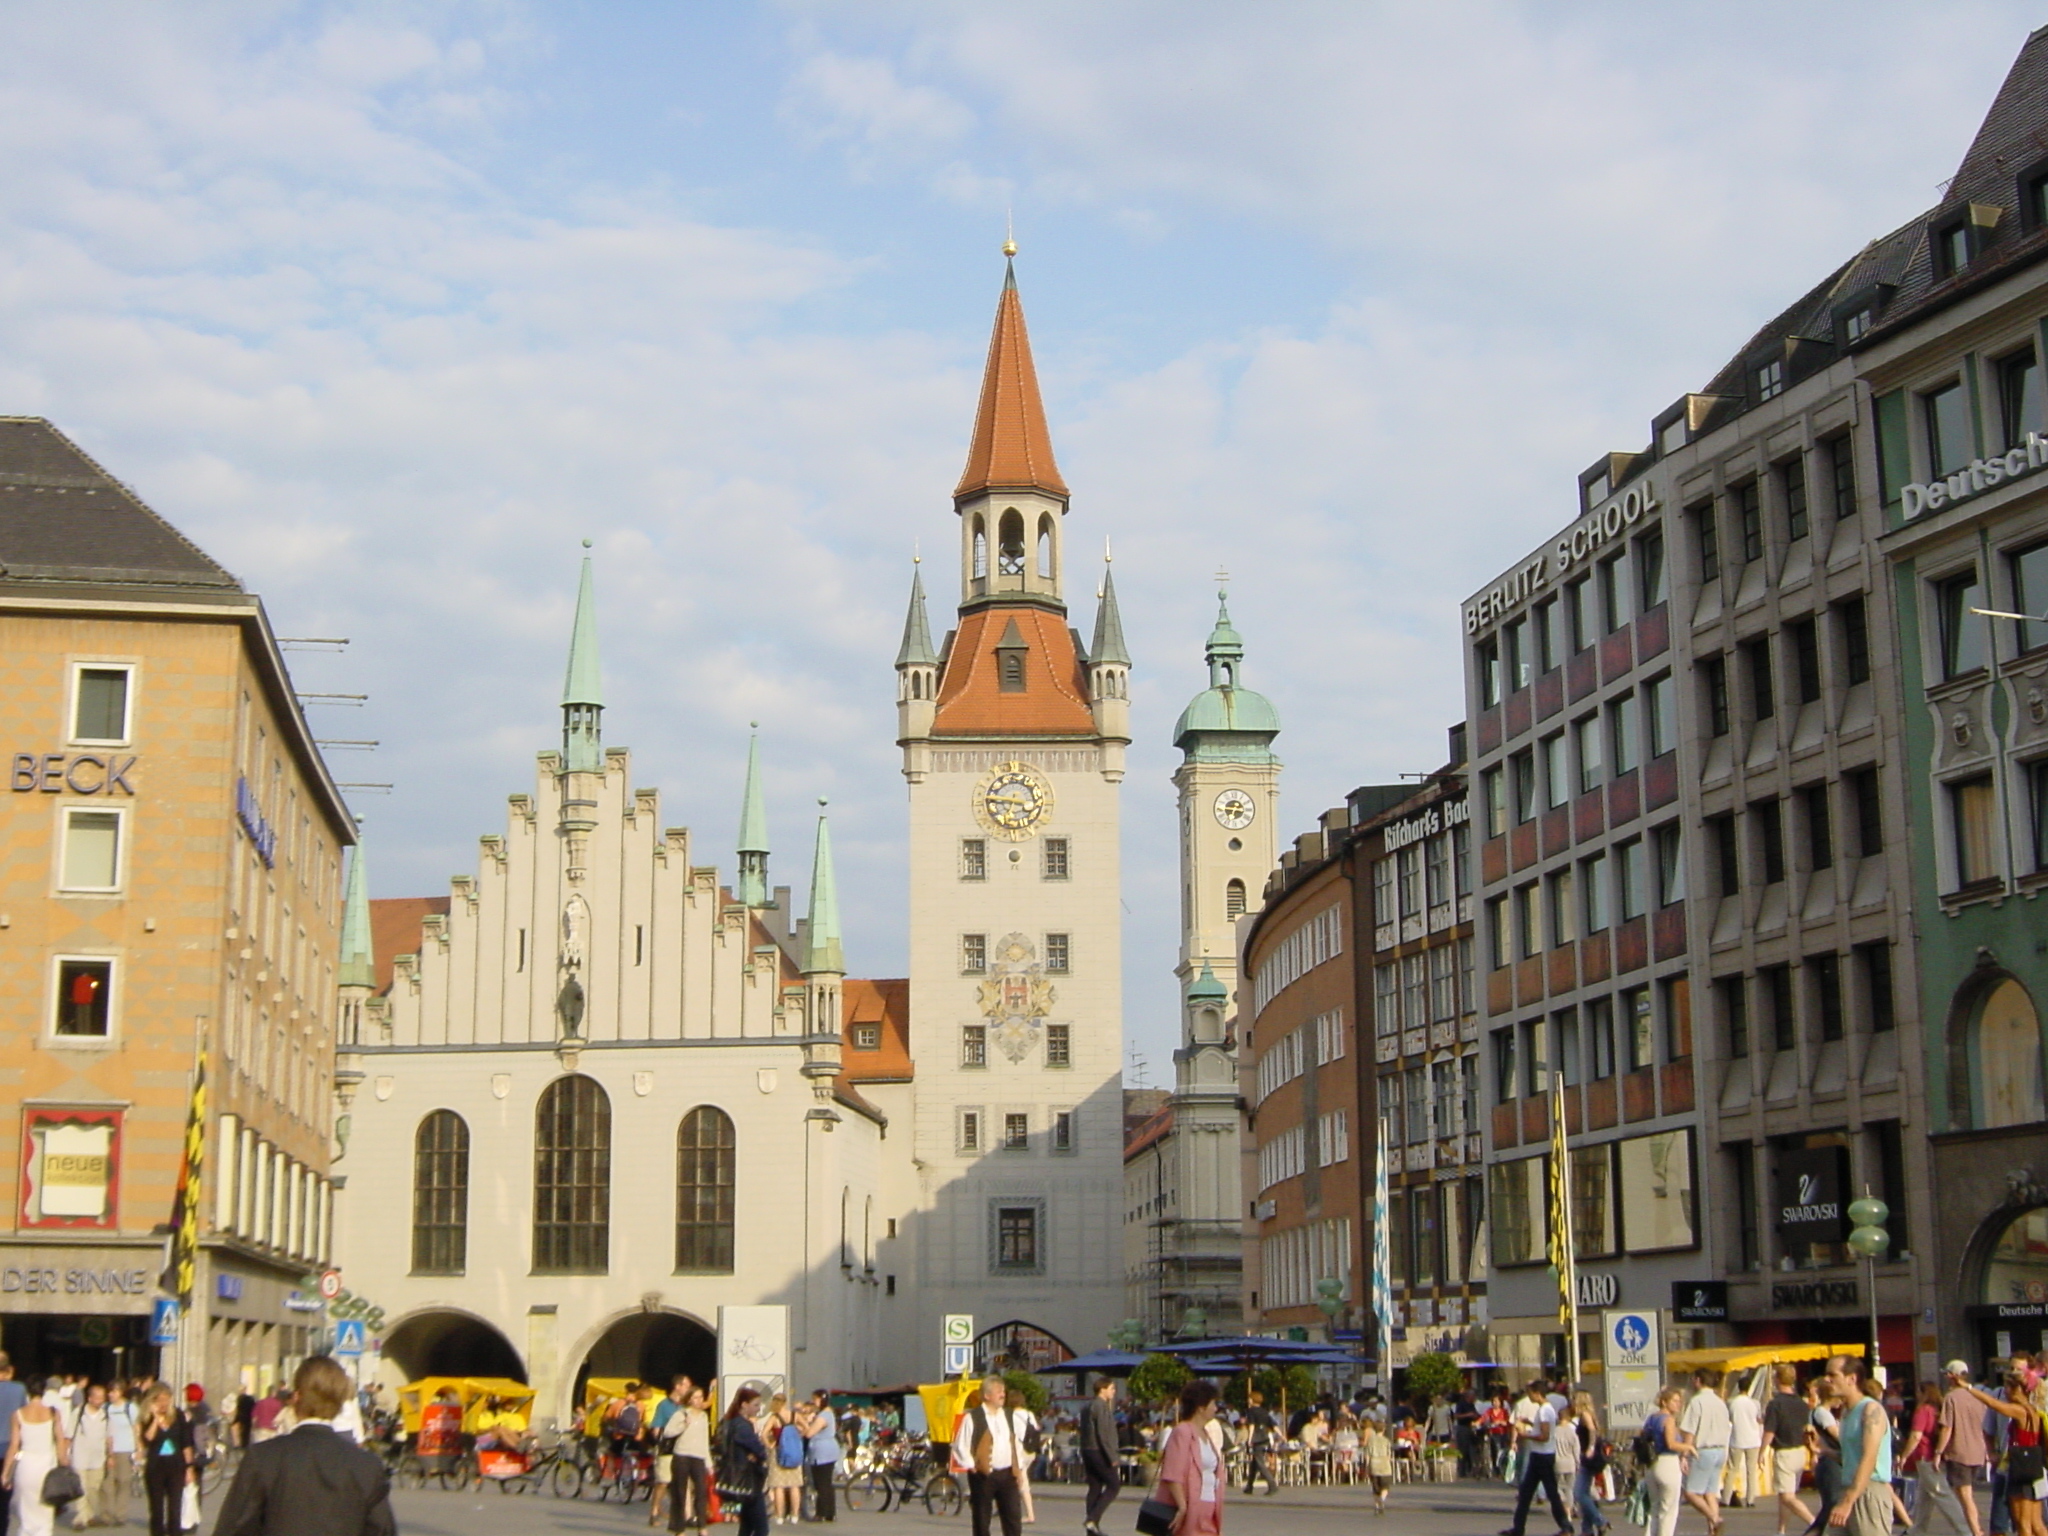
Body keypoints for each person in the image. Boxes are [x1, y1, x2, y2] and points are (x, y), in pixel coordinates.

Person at [212, 1356, 394, 1536]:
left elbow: (234, 1526)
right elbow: (382, 1529)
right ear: (340, 1402)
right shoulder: (366, 1466)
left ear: (297, 1397)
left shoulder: (264, 1457)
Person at [1950, 1364, 2046, 1536]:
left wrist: (1968, 1387)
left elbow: (1992, 1403)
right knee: (2036, 1523)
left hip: (2021, 1471)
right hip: (2035, 1470)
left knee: (2023, 1523)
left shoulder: (2020, 1411)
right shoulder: (2034, 1411)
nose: (2005, 1392)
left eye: (2008, 1387)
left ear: (2018, 1390)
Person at [1822, 1356, 1896, 1536]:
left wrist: (1848, 1501)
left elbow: (1869, 1457)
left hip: (1868, 1491)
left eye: (1833, 1375)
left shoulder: (1870, 1410)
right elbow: (1851, 1457)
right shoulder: (1847, 1412)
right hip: (1848, 1488)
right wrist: (1823, 1450)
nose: (1827, 1380)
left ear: (1852, 1378)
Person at [951, 1376, 1033, 1536]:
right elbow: (960, 1445)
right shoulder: (973, 1417)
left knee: (1013, 1519)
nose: (1003, 1395)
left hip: (1007, 1474)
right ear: (987, 1395)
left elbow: (1015, 1443)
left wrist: (1019, 1469)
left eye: (1003, 1391)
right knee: (982, 1520)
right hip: (983, 1476)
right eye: (999, 1392)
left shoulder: (1009, 1415)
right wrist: (972, 1465)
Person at [1499, 1378, 1572, 1536]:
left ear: (1537, 1394)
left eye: (1531, 1393)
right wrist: (1530, 1423)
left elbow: (1544, 1435)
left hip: (1543, 1456)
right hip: (1539, 1455)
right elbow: (1542, 1428)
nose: (1529, 1397)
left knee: (1550, 1494)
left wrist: (1526, 1434)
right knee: (1526, 1494)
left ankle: (1566, 1527)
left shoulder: (1545, 1410)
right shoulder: (1544, 1410)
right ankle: (1518, 1528)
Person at [5, 1376, 72, 1536]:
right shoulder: (53, 1412)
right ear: (44, 1392)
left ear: (27, 1391)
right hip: (47, 1465)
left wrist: (6, 1472)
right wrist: (64, 1462)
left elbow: (14, 1445)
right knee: (46, 1514)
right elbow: (60, 1440)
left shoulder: (18, 1414)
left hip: (27, 1465)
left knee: (26, 1513)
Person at [1156, 1382, 1224, 1536]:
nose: (1215, 1408)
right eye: (1213, 1403)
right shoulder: (1183, 1431)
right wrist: (1182, 1506)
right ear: (1201, 1407)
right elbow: (1173, 1473)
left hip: (1210, 1504)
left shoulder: (1205, 1433)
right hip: (1192, 1504)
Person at [1938, 1363, 1993, 1536]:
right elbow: (1986, 1425)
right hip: (1977, 1451)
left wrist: (1938, 1452)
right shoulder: (1978, 1396)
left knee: (1965, 1496)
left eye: (1947, 1374)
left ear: (1953, 1376)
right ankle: (1975, 1528)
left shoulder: (1951, 1397)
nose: (1945, 1377)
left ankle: (1976, 1531)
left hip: (1959, 1452)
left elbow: (1947, 1428)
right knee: (1968, 1494)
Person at [1766, 1365, 1819, 1536]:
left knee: (1788, 1497)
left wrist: (1761, 1451)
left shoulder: (1775, 1404)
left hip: (1784, 1451)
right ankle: (1781, 1530)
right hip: (1799, 1450)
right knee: (1785, 1496)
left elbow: (1770, 1431)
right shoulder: (1801, 1403)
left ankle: (1815, 1524)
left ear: (1777, 1380)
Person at [1683, 1370, 1734, 1536]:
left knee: (1691, 1492)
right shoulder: (1720, 1402)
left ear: (1698, 1380)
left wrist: (1684, 1454)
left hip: (1703, 1450)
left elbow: (1690, 1429)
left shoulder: (1696, 1401)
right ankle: (1713, 1530)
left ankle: (1714, 1518)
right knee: (1710, 1492)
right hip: (1720, 1449)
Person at [137, 1385, 191, 1536]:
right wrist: (155, 1419)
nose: (164, 1404)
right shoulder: (147, 1418)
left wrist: (189, 1468)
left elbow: (186, 1442)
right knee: (156, 1509)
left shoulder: (178, 1415)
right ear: (152, 1401)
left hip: (176, 1466)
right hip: (156, 1467)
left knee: (175, 1508)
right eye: (160, 1400)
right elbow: (147, 1439)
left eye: (167, 1400)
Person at [717, 1388, 770, 1536]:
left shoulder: (726, 1422)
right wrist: (758, 1454)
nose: (758, 1409)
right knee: (761, 1528)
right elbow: (759, 1450)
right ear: (744, 1404)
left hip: (731, 1479)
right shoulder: (742, 1425)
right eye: (755, 1405)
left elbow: (719, 1447)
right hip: (747, 1479)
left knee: (746, 1525)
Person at [667, 1384, 712, 1534]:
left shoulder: (704, 1416)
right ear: (690, 1399)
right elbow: (668, 1432)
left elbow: (705, 1439)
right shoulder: (681, 1414)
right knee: (680, 1492)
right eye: (696, 1397)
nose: (699, 1400)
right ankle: (679, 1528)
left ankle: (702, 1527)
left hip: (698, 1456)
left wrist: (709, 1462)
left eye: (701, 1397)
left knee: (701, 1492)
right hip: (682, 1455)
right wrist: (683, 1425)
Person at [1644, 1385, 1689, 1536]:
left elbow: (1642, 1436)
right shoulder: (1668, 1420)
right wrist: (1688, 1447)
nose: (1678, 1404)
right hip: (1668, 1462)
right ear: (1664, 1402)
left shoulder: (1652, 1418)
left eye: (1679, 1401)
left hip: (1652, 1464)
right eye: (1674, 1401)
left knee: (1655, 1508)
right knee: (1668, 1510)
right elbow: (1671, 1443)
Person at [1079, 1377, 1120, 1536]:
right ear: (1102, 1389)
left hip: (1087, 1448)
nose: (1113, 1392)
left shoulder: (1087, 1406)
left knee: (1095, 1486)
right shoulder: (1101, 1406)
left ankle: (1092, 1529)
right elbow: (1103, 1434)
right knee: (1114, 1485)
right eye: (1111, 1388)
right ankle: (1092, 1518)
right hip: (1098, 1450)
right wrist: (1112, 1456)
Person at [650, 1377, 691, 1530]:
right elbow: (656, 1427)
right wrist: (660, 1440)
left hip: (684, 1447)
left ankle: (686, 1515)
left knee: (685, 1482)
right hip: (668, 1448)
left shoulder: (686, 1406)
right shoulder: (664, 1405)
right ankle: (654, 1511)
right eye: (686, 1385)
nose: (689, 1388)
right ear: (677, 1386)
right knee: (663, 1481)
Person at [68, 1383, 108, 1533]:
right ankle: (80, 1519)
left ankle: (89, 1515)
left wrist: (110, 1456)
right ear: (89, 1398)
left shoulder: (105, 1414)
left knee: (93, 1489)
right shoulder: (78, 1413)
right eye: (97, 1397)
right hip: (79, 1456)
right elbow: (68, 1435)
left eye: (102, 1397)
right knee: (81, 1488)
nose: (100, 1400)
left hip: (98, 1457)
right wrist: (64, 1455)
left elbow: (109, 1437)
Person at [1569, 1391, 1611, 1536]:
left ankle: (1600, 1520)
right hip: (1587, 1457)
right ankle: (1587, 1529)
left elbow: (1592, 1431)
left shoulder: (1585, 1415)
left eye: (1574, 1399)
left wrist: (1590, 1448)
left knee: (1579, 1493)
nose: (1572, 1402)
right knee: (1585, 1492)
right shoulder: (1585, 1415)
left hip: (1589, 1457)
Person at [804, 1391, 842, 1523]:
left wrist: (805, 1424)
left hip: (822, 1452)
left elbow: (809, 1433)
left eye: (815, 1399)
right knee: (827, 1483)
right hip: (828, 1450)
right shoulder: (828, 1413)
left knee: (821, 1484)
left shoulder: (823, 1416)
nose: (813, 1402)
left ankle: (822, 1513)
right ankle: (830, 1512)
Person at [104, 1381, 138, 1529]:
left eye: (114, 1391)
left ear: (121, 1392)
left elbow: (136, 1428)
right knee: (107, 1483)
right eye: (110, 1391)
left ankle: (120, 1514)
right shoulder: (106, 1408)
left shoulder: (129, 1407)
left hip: (125, 1448)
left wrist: (138, 1448)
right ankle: (107, 1514)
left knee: (124, 1481)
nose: (111, 1394)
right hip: (108, 1449)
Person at [1731, 1378, 1766, 1510]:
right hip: (1752, 1438)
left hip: (1737, 1438)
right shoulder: (1755, 1403)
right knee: (1751, 1470)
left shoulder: (1732, 1402)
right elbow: (1758, 1419)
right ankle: (1751, 1499)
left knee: (1733, 1469)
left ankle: (1726, 1497)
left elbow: (1730, 1418)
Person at [1240, 1391, 1277, 1496]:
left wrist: (1250, 1439)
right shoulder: (1264, 1411)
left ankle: (1272, 1484)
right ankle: (1249, 1486)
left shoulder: (1251, 1411)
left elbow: (1251, 1425)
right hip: (1265, 1438)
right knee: (1254, 1464)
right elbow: (1273, 1424)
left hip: (1257, 1439)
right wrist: (1282, 1435)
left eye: (1249, 1398)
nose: (1248, 1400)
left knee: (1260, 1463)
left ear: (1252, 1400)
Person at [1362, 1413, 1394, 1514]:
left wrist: (1367, 1467)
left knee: (1375, 1487)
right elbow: (1389, 1455)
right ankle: (1382, 1499)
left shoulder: (1371, 1441)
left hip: (1374, 1464)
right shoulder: (1386, 1441)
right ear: (1383, 1429)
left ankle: (1376, 1505)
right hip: (1384, 1465)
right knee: (1385, 1486)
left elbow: (1367, 1455)